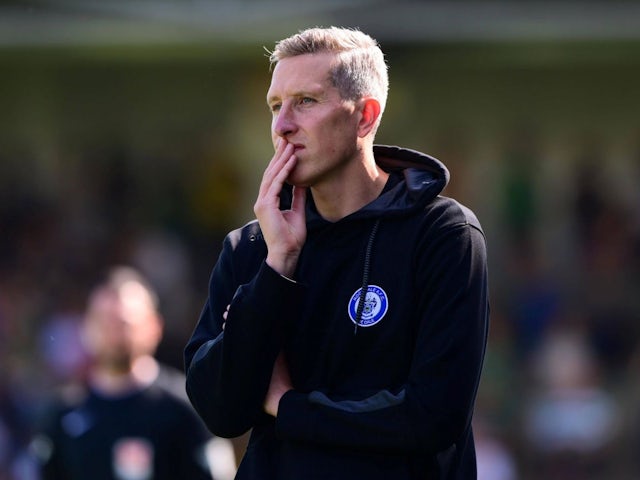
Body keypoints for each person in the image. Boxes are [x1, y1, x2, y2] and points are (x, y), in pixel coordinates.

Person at [184, 26, 490, 479]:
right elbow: (221, 412)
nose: (282, 125)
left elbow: (432, 417)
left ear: (365, 117)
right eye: (274, 106)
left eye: (305, 101)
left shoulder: (443, 234)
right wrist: (276, 270)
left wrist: (289, 407)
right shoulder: (251, 247)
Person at [33, 266, 220, 480]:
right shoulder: (61, 416)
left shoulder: (185, 408)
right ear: (86, 329)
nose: (113, 333)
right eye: (104, 322)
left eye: (124, 323)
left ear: (154, 326)